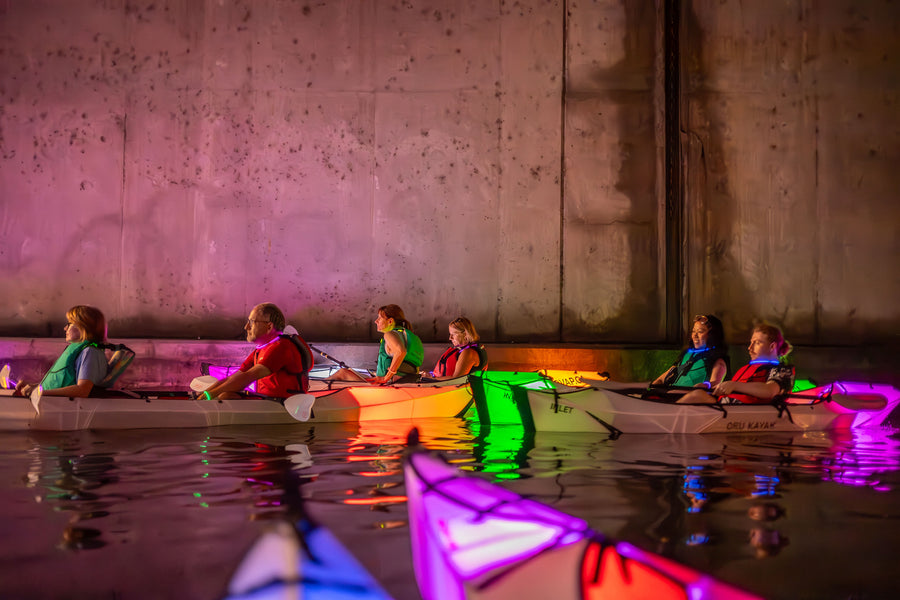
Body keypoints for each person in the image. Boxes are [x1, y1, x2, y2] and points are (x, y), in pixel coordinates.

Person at [203, 303, 311, 399]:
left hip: (284, 404)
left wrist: (210, 395)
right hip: (267, 401)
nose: (246, 327)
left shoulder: (282, 347)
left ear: (269, 326)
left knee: (225, 397)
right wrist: (205, 393)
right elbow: (234, 377)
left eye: (252, 322)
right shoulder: (261, 349)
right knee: (225, 395)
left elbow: (247, 377)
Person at [677, 322, 794, 405]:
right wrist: (708, 386)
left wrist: (734, 385)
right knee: (686, 393)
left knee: (697, 396)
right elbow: (729, 389)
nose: (749, 347)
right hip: (725, 407)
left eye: (757, 343)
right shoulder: (746, 368)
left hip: (741, 411)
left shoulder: (782, 370)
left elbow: (769, 390)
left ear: (772, 346)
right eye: (751, 342)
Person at [14, 305, 109, 398]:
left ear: (83, 327)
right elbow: (65, 385)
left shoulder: (90, 353)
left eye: (69, 324)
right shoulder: (84, 351)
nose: (65, 328)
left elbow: (82, 390)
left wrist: (40, 392)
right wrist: (36, 386)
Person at [331, 304, 424, 384]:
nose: (376, 321)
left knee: (342, 373)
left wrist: (386, 377)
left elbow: (400, 351)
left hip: (390, 383)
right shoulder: (409, 335)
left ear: (390, 321)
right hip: (407, 381)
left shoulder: (389, 334)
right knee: (357, 373)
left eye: (380, 318)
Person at [651, 314, 729, 390]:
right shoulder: (686, 356)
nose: (695, 335)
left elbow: (715, 384)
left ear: (712, 335)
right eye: (693, 331)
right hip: (669, 396)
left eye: (700, 332)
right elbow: (661, 379)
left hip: (687, 398)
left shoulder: (718, 362)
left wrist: (704, 386)